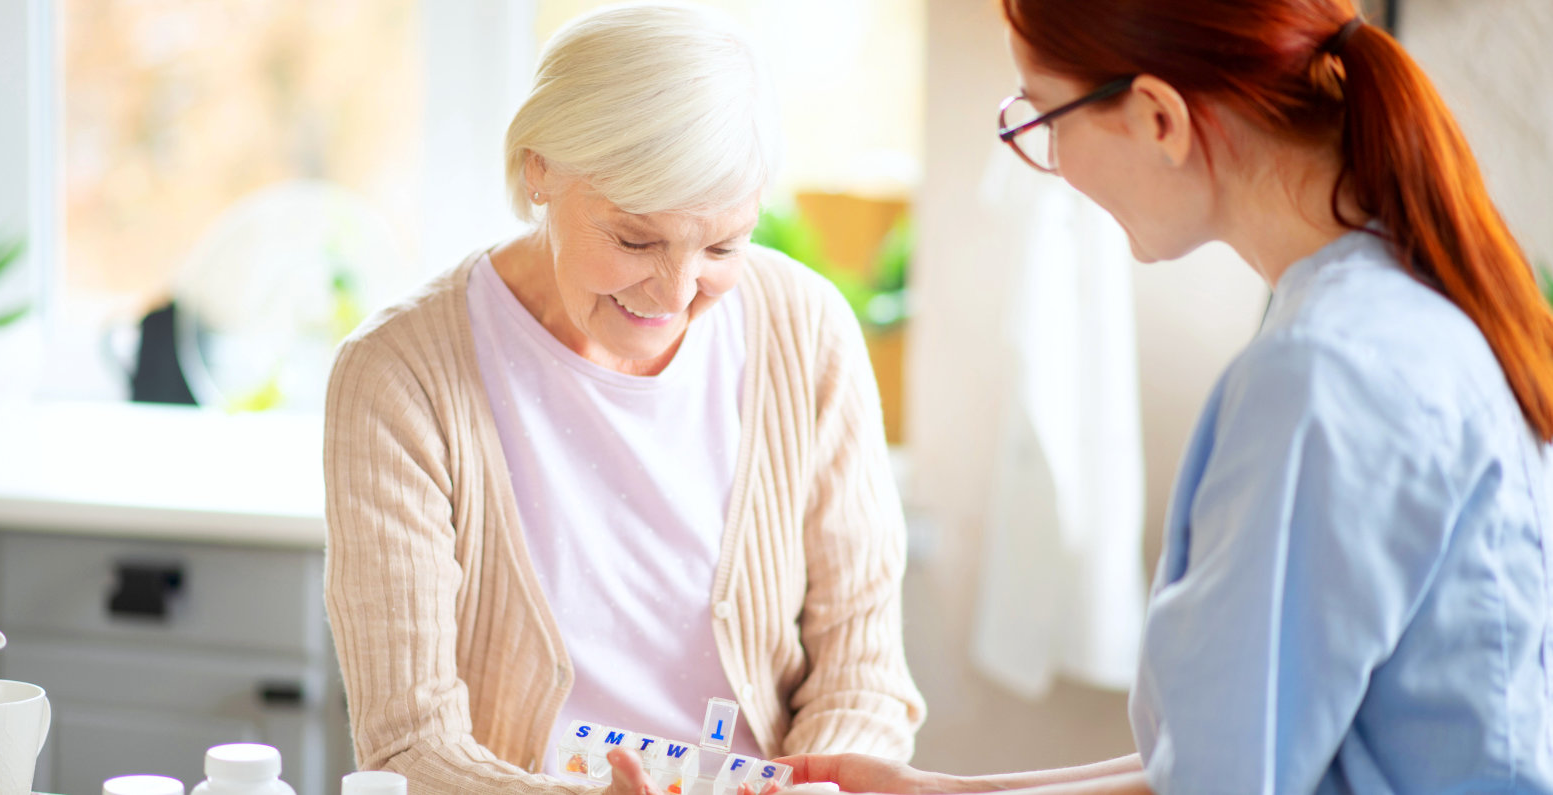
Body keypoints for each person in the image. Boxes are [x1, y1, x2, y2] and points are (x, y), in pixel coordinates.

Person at [782, 0, 1553, 793]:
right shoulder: (1397, 310)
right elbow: (1232, 757)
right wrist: (943, 792)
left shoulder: (1318, 375)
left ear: (1157, 116)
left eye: (1046, 118)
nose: (1051, 162)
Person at [322, 4, 924, 793]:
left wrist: (802, 785)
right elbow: (407, 745)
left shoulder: (804, 331)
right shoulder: (399, 377)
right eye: (634, 240)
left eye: (721, 246)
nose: (674, 290)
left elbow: (862, 668)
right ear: (538, 170)